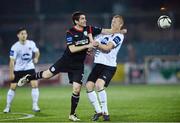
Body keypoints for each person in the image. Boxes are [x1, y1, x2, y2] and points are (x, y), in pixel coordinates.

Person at [17, 11, 120, 121]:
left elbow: (107, 31)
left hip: (78, 65)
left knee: (76, 89)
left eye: (85, 18)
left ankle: (72, 114)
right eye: (82, 19)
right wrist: (88, 45)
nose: (85, 20)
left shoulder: (89, 29)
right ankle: (29, 78)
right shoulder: (70, 32)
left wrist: (120, 30)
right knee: (47, 75)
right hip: (66, 61)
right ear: (76, 21)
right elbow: (72, 49)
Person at [86, 15, 125, 121]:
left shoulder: (119, 36)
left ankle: (105, 113)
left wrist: (97, 44)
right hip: (98, 64)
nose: (113, 23)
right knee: (89, 86)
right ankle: (98, 111)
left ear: (120, 24)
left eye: (116, 21)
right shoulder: (103, 35)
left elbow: (107, 48)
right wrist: (90, 48)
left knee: (99, 85)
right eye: (112, 21)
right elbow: (92, 46)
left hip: (109, 66)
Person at [3, 27, 40, 113]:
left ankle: (35, 105)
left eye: (25, 33)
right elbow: (12, 61)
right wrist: (11, 73)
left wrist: (36, 58)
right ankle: (8, 107)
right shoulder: (15, 47)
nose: (24, 35)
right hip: (18, 69)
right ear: (18, 35)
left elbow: (37, 52)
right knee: (12, 88)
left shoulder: (31, 43)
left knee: (35, 85)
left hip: (30, 68)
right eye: (22, 34)